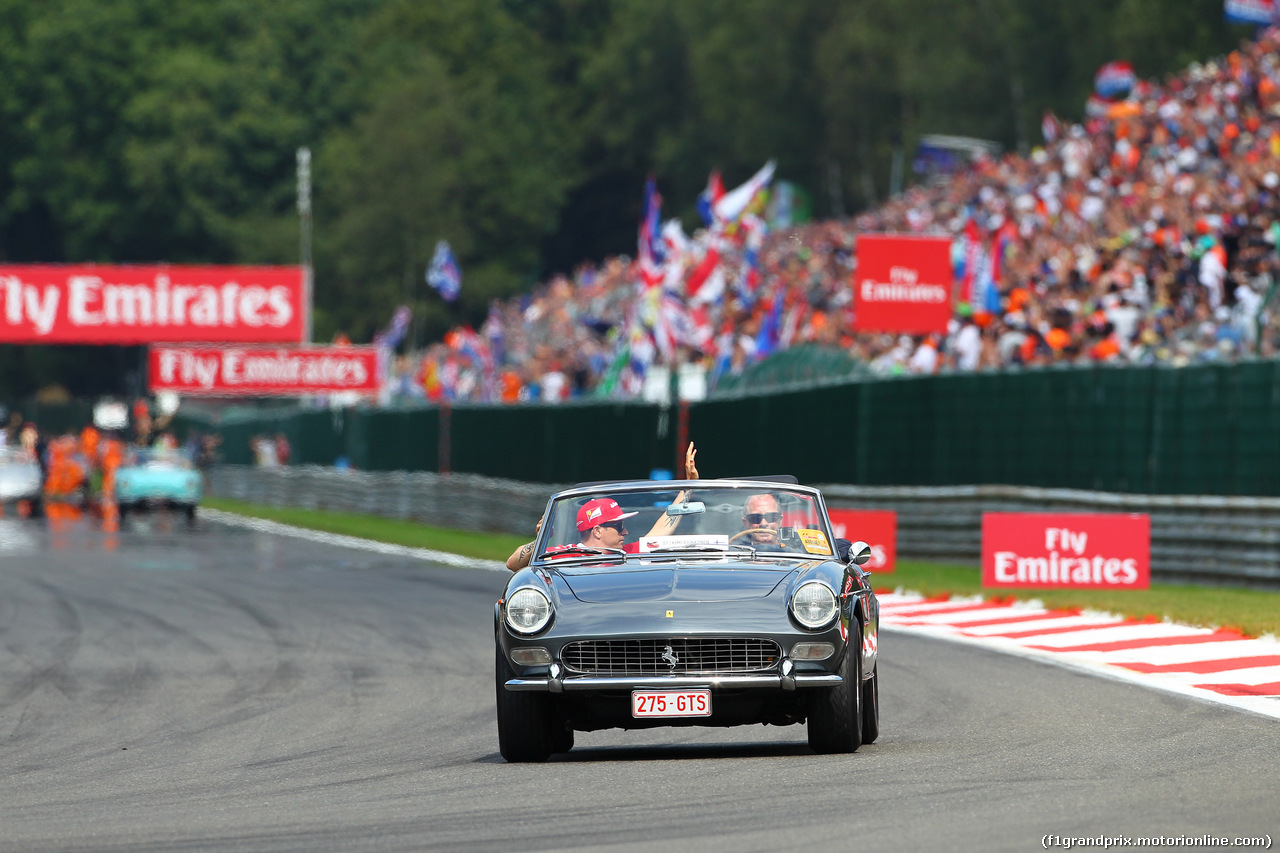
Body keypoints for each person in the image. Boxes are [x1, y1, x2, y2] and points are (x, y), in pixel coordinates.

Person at [505, 441, 699, 571]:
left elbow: (661, 529)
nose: (625, 532)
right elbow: (513, 563)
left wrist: (688, 489)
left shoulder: (627, 553)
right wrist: (539, 541)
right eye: (618, 526)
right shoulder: (566, 554)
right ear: (597, 531)